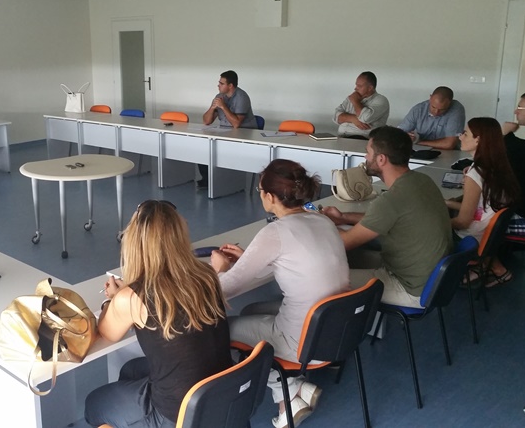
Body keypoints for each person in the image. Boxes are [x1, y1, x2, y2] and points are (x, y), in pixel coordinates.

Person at [210, 159, 350, 428]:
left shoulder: (275, 232)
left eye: (260, 190)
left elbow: (227, 287)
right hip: (336, 331)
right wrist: (250, 257)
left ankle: (288, 393)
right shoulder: (322, 220)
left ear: (271, 197)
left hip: (304, 341)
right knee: (251, 310)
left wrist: (219, 268)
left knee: (222, 330)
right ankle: (295, 387)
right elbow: (294, 263)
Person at [85, 200, 232, 428]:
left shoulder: (132, 298)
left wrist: (113, 299)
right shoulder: (206, 275)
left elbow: (106, 333)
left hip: (177, 416)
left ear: (134, 242)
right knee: (130, 369)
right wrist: (126, 292)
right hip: (220, 395)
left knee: (93, 405)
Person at [322, 127, 451, 308]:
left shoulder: (392, 200)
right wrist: (343, 217)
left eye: (368, 152)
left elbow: (343, 242)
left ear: (381, 159)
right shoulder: (422, 180)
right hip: (429, 278)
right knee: (352, 257)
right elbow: (384, 217)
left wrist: (320, 222)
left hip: (410, 288)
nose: (365, 157)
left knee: (325, 280)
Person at [447, 118, 519, 287]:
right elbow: (481, 209)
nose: (460, 137)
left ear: (478, 140)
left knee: (426, 227)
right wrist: (448, 203)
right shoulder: (497, 165)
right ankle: (493, 267)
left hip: (473, 238)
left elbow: (463, 222)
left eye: (465, 134)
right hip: (489, 234)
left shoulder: (475, 173)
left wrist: (436, 222)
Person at [199, 70, 257, 188]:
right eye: (219, 83)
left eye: (221, 83)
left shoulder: (242, 97)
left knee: (223, 151)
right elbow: (207, 121)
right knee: (204, 148)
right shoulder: (219, 96)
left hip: (244, 133)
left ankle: (227, 182)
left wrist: (223, 106)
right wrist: (212, 108)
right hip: (225, 132)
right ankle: (207, 180)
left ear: (230, 86)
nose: (218, 85)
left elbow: (236, 124)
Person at [398, 86, 465, 150]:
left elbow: (449, 144)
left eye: (442, 109)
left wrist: (418, 142)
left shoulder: (456, 109)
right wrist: (407, 137)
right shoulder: (418, 109)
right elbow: (398, 133)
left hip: (450, 153)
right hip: (422, 150)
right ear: (430, 98)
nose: (436, 112)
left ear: (450, 103)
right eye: (433, 107)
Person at [334, 71, 390, 139]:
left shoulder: (381, 100)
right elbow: (336, 117)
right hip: (341, 136)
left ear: (370, 88)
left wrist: (355, 101)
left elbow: (365, 118)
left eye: (359, 86)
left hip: (363, 139)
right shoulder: (353, 96)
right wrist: (352, 119)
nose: (355, 88)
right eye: (356, 85)